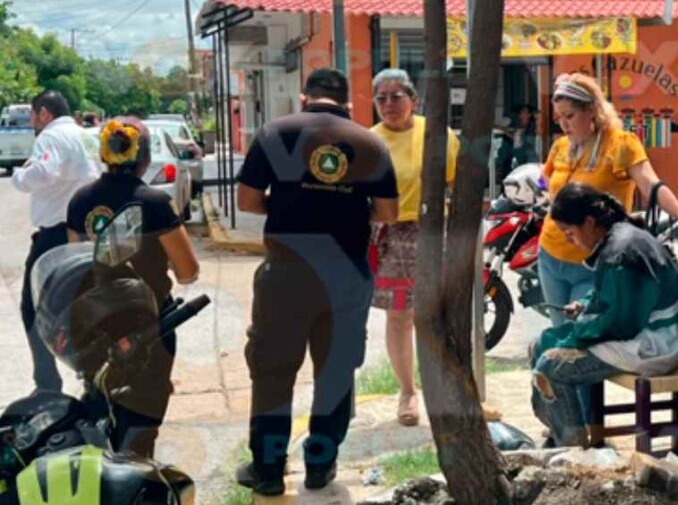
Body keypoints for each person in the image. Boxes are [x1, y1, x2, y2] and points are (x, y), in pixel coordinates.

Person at [235, 68, 400, 495]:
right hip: (345, 278)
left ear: (304, 96)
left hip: (285, 274)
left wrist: (294, 205)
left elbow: (248, 201)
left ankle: (268, 470)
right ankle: (320, 465)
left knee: (272, 372)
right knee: (336, 372)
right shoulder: (369, 142)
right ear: (347, 103)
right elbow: (388, 212)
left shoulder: (274, 133)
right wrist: (343, 209)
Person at [66, 117, 200, 458]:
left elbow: (76, 263)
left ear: (104, 154)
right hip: (150, 325)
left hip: (95, 328)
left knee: (102, 409)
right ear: (143, 158)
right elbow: (188, 272)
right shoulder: (154, 203)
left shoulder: (80, 201)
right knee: (143, 417)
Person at [539, 73, 678, 324]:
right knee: (559, 329)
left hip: (595, 261)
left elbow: (650, 183)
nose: (564, 124)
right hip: (550, 255)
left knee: (580, 330)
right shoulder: (561, 146)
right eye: (559, 118)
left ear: (592, 111)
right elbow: (546, 179)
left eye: (570, 116)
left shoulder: (620, 144)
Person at [531, 182, 678, 448]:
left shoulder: (621, 251)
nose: (570, 240)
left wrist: (577, 331)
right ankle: (562, 433)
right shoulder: (617, 240)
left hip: (653, 343)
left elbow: (620, 322)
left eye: (569, 232)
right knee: (539, 344)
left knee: (551, 367)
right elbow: (611, 296)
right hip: (637, 331)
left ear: (590, 222)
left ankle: (573, 450)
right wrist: (585, 305)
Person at [369, 68, 460, 427]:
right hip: (390, 237)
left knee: (436, 315)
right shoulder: (368, 141)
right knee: (399, 317)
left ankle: (446, 388)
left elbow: (455, 180)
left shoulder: (437, 134)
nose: (389, 104)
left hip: (433, 232)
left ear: (414, 100)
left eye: (397, 96)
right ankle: (408, 391)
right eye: (381, 98)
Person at [12, 90, 101, 393]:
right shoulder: (87, 136)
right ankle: (93, 377)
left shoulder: (50, 137)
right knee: (84, 305)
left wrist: (18, 176)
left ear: (45, 114)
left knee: (33, 308)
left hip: (54, 238)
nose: (32, 122)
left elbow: (42, 173)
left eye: (33, 115)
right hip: (87, 233)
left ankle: (47, 383)